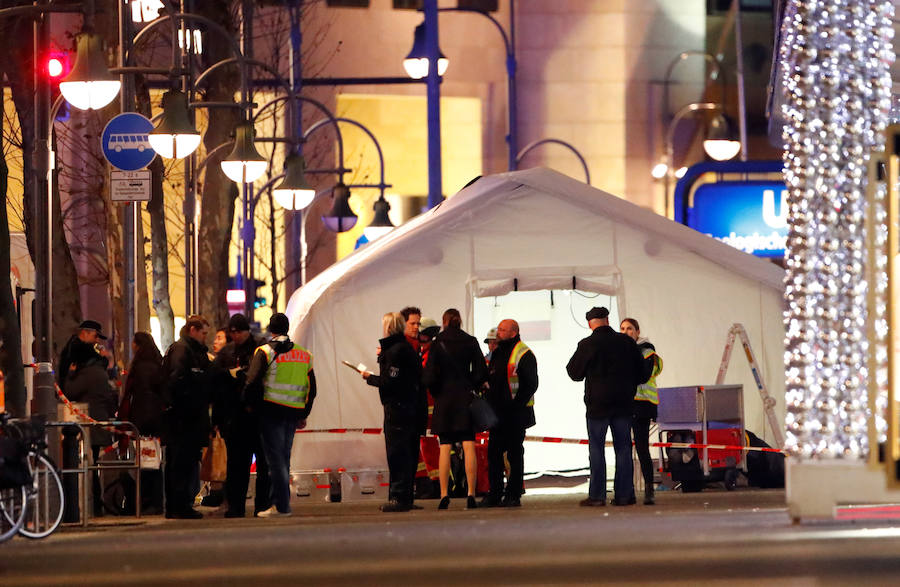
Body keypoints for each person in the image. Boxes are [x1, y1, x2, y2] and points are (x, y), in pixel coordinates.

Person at [566, 307, 646, 507]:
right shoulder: (627, 342)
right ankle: (624, 495)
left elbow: (574, 373)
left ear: (590, 324)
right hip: (623, 405)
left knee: (597, 449)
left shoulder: (587, 344)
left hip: (597, 406)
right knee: (623, 448)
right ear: (607, 320)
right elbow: (643, 373)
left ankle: (597, 496)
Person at [243, 313, 316, 518]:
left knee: (275, 461)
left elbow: (251, 382)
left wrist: (249, 406)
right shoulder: (304, 354)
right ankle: (281, 504)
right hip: (293, 414)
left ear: (271, 329)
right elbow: (312, 388)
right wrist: (304, 412)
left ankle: (281, 506)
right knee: (283, 458)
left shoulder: (264, 352)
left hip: (271, 412)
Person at [423, 309, 488, 510]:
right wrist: (472, 386)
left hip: (444, 400)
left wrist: (438, 392)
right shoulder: (471, 341)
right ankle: (470, 493)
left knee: (445, 448)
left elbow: (429, 376)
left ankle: (444, 494)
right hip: (465, 399)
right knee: (469, 446)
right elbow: (480, 372)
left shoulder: (437, 343)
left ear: (443, 322)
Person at [362, 312, 424, 512]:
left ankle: (398, 497)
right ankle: (406, 496)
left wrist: (369, 377)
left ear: (388, 328)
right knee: (409, 453)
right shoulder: (407, 349)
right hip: (411, 408)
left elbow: (390, 382)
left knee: (397, 453)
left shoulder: (395, 351)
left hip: (396, 409)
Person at [213, 313, 270, 518]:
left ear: (247, 331)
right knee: (237, 465)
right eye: (232, 332)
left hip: (256, 415)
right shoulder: (228, 353)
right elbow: (217, 383)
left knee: (263, 465)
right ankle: (236, 506)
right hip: (235, 417)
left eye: (238, 332)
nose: (235, 336)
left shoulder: (260, 349)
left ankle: (261, 505)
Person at [482, 319, 538, 508]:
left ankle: (513, 495)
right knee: (494, 455)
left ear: (513, 333)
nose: (498, 332)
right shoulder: (498, 353)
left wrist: (515, 406)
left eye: (503, 330)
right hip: (498, 415)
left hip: (516, 415)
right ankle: (495, 494)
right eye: (498, 329)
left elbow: (531, 384)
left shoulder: (524, 353)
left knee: (514, 455)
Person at [63, 325, 117, 516]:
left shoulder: (87, 373)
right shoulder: (99, 371)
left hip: (89, 423)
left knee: (88, 464)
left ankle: (91, 506)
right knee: (93, 464)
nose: (97, 342)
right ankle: (97, 504)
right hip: (98, 421)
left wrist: (70, 374)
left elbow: (70, 391)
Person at [161, 315, 211, 519]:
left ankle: (178, 504)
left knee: (183, 461)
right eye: (204, 333)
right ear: (193, 330)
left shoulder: (189, 350)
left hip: (186, 416)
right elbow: (177, 381)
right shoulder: (184, 350)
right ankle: (178, 505)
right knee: (181, 462)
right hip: (184, 418)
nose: (205, 337)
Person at [119, 332, 166, 513]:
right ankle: (154, 501)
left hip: (142, 419)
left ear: (137, 345)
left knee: (145, 462)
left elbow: (135, 395)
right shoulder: (157, 363)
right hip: (155, 419)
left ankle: (148, 501)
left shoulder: (140, 367)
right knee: (153, 461)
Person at [620, 317, 663, 505]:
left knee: (642, 447)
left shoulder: (647, 350)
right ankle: (626, 490)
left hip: (642, 404)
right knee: (623, 449)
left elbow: (644, 375)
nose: (625, 332)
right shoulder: (620, 351)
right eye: (622, 328)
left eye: (629, 328)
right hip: (625, 403)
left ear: (637, 332)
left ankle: (648, 489)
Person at [415, 318, 441, 497]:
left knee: (430, 447)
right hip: (424, 408)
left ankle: (435, 485)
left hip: (430, 409)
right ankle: (427, 483)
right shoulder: (424, 353)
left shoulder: (432, 354)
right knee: (424, 446)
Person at [57, 320, 110, 393]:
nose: (97, 340)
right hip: (78, 394)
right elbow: (100, 364)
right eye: (95, 336)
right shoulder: (82, 348)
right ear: (85, 333)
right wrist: (103, 357)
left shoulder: (71, 345)